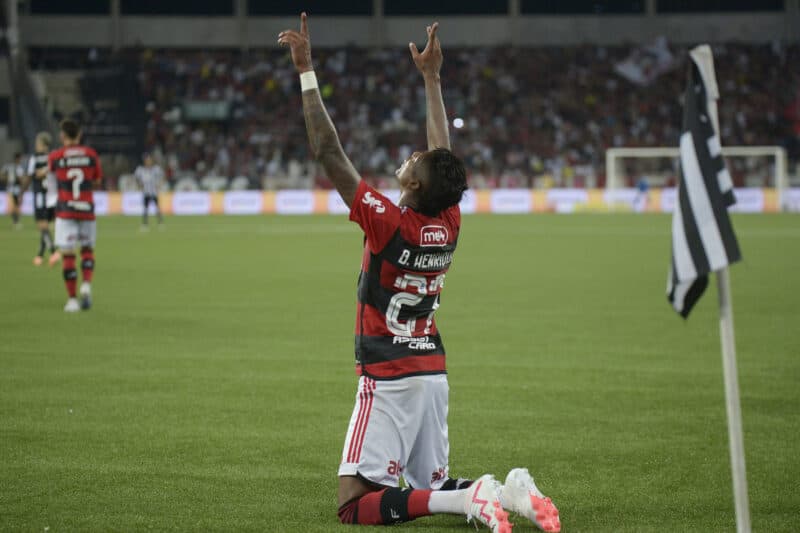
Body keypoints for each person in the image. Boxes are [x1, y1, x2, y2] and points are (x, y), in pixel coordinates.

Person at [278, 14, 559, 533]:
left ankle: (474, 497)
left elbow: (327, 151)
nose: (412, 157)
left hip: (387, 375)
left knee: (352, 504)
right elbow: (443, 157)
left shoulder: (387, 223)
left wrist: (306, 72)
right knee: (432, 481)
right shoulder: (448, 221)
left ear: (414, 186)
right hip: (430, 370)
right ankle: (509, 492)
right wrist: (432, 80)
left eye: (416, 162)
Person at [48, 119, 102, 312]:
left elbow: (51, 183)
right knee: (87, 249)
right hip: (86, 209)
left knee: (68, 254)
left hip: (66, 210)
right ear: (79, 135)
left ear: (62, 136)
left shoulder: (55, 157)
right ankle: (86, 284)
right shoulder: (91, 155)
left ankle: (72, 300)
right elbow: (97, 181)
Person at [25, 132, 58, 265]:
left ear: (43, 145)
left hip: (40, 194)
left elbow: (30, 175)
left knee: (42, 225)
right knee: (45, 226)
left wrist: (22, 192)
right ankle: (40, 255)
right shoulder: (53, 157)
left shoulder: (35, 158)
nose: (36, 146)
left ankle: (53, 252)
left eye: (38, 144)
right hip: (53, 196)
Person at [134, 152, 164, 229]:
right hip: (146, 192)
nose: (148, 162)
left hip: (153, 192)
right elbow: (136, 177)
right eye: (147, 160)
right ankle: (145, 224)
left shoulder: (155, 169)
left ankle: (160, 223)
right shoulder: (141, 169)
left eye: (149, 160)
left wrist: (159, 184)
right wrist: (139, 185)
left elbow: (162, 176)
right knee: (145, 208)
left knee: (157, 207)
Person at [2, 152, 25, 229]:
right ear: (18, 159)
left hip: (10, 188)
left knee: (13, 206)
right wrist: (23, 187)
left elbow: (2, 175)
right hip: (17, 188)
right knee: (17, 206)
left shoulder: (9, 166)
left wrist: (6, 180)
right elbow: (20, 178)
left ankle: (15, 221)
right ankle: (16, 222)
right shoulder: (19, 167)